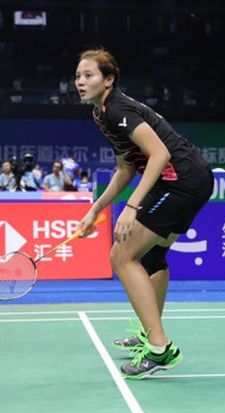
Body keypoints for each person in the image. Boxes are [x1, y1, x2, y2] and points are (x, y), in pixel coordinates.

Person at [74, 48, 214, 379]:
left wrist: (132, 206)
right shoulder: (101, 113)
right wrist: (96, 209)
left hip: (181, 182)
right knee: (153, 259)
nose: (80, 81)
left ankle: (159, 348)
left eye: (89, 75)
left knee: (121, 256)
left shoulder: (117, 108)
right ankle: (149, 335)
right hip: (187, 179)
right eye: (78, 76)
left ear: (108, 80)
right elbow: (125, 167)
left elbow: (159, 154)